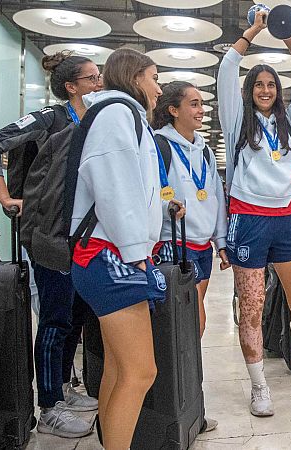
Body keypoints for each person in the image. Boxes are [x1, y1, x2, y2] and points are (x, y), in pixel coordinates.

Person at [217, 11, 291, 416]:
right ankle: (258, 387)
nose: (265, 90)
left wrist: (285, 35)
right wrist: (253, 30)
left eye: (271, 84)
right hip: (247, 220)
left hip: (287, 220)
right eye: (259, 84)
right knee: (250, 308)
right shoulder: (236, 122)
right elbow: (227, 67)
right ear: (249, 90)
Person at [0, 50, 101, 438]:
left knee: (76, 313)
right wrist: (5, 197)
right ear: (71, 86)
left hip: (79, 232)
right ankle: (48, 405)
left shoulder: (94, 123)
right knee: (55, 316)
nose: (99, 84)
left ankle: (63, 387)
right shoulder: (51, 118)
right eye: (92, 79)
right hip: (47, 230)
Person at [69, 48, 165, 450]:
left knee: (120, 368)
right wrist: (135, 252)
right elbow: (114, 186)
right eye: (154, 77)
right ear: (136, 77)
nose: (158, 89)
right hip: (110, 254)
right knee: (142, 372)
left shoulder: (120, 116)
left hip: (105, 253)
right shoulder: (116, 114)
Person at [151, 80, 229, 338]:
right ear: (174, 110)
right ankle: (184, 376)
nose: (201, 110)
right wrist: (166, 208)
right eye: (193, 104)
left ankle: (187, 375)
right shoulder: (158, 145)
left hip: (203, 246)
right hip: (173, 243)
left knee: (191, 320)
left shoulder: (205, 150)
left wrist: (221, 241)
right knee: (192, 319)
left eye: (201, 104)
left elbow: (216, 198)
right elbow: (146, 192)